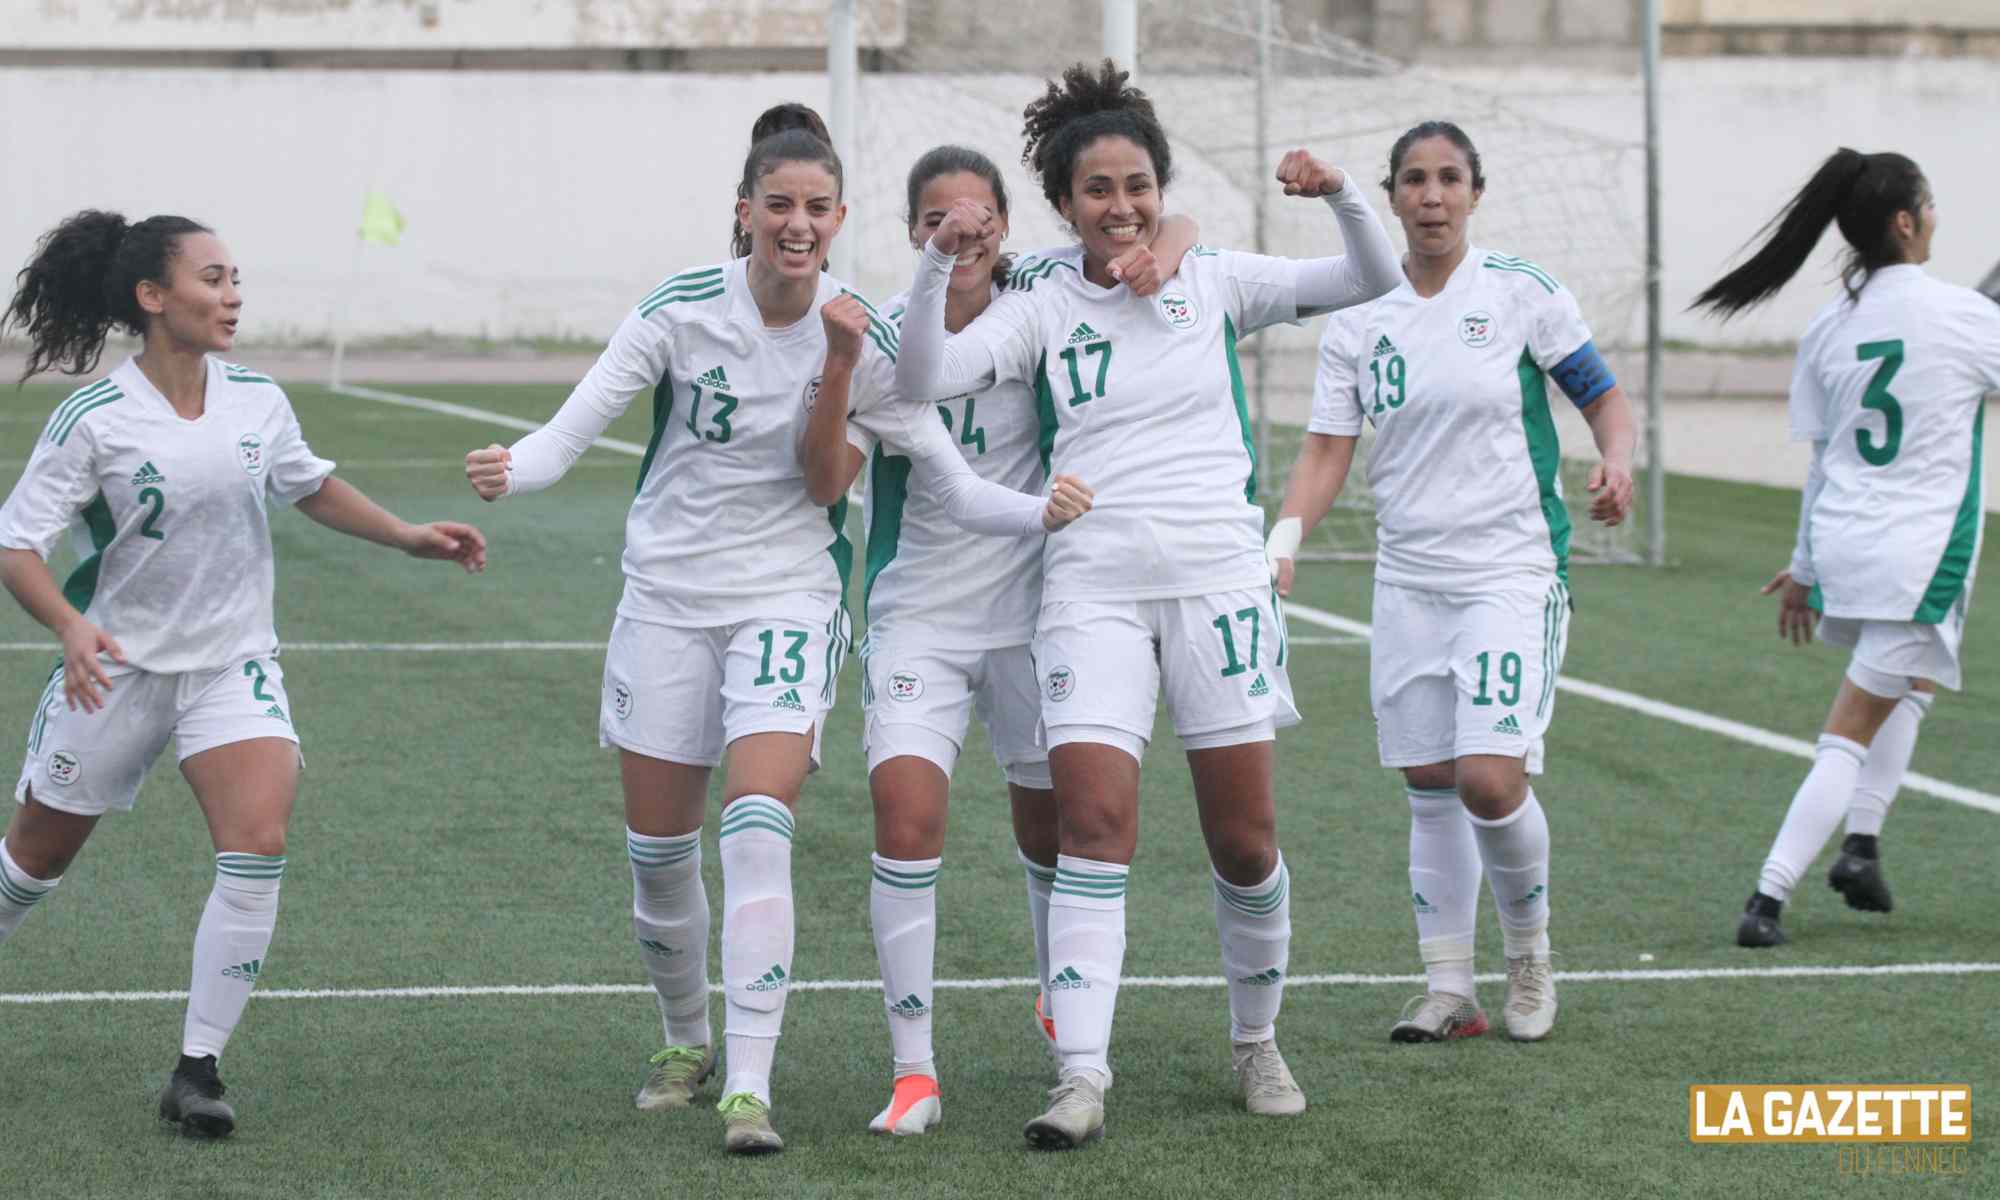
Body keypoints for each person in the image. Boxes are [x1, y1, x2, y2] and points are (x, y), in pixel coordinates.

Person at [462, 105, 1089, 1155]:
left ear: (839, 219)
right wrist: (509, 470)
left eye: (813, 209)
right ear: (743, 213)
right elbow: (567, 433)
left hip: (787, 599)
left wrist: (1033, 509)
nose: (795, 225)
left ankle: (747, 1089)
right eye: (777, 207)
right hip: (664, 597)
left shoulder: (866, 333)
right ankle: (684, 1038)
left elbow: (887, 482)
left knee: (758, 819)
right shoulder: (680, 308)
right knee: (659, 853)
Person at [896, 60, 1400, 1149]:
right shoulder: (1036, 302)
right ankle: (1079, 1074)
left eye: (1135, 185)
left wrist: (1340, 193)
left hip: (1218, 583)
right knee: (1092, 828)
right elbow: (925, 376)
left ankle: (1255, 1040)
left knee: (1243, 840)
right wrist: (935, 269)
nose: (1118, 206)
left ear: (1160, 187)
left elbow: (1370, 277)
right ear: (1063, 203)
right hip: (1090, 588)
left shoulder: (1210, 274)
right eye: (1094, 190)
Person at [0, 210, 487, 1138]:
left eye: (235, 279)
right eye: (212, 279)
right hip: (117, 672)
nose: (232, 295)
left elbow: (308, 483)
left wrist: (409, 536)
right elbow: (16, 543)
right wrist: (69, 627)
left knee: (257, 842)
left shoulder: (257, 396)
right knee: (33, 862)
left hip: (232, 662)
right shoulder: (95, 417)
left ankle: (197, 1070)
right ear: (153, 298)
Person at [1270, 120, 1635, 1046]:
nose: (1432, 196)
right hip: (1409, 576)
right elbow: (1327, 449)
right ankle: (1447, 986)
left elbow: (1601, 392)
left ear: (1476, 192)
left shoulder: (1521, 293)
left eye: (1449, 179)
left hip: (1510, 568)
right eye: (1415, 181)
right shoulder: (1360, 313)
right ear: (1392, 198)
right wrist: (1282, 536)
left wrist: (1618, 458)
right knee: (1429, 779)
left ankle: (1529, 958)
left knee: (1486, 777)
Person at [859, 143, 1196, 1136]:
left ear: (1007, 226)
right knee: (904, 820)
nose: (960, 234)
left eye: (976, 219)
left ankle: (1066, 1011)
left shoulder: (1047, 289)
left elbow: (1155, 237)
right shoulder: (892, 334)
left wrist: (1171, 238)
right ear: (914, 229)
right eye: (937, 220)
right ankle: (913, 1073)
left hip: (1034, 614)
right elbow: (944, 484)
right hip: (918, 615)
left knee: (1050, 830)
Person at [1691, 148, 1992, 947]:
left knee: (1911, 685)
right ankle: (1768, 898)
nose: (1936, 219)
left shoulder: (1830, 325)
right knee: (1848, 731)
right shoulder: (1964, 316)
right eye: (1929, 206)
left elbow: (1822, 461)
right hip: (1920, 557)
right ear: (1905, 221)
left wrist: (1807, 567)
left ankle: (1861, 847)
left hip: (1850, 548)